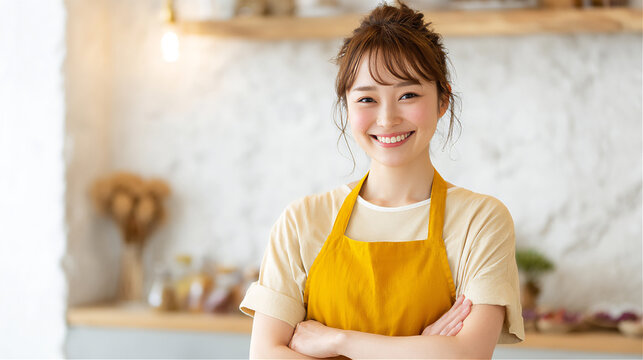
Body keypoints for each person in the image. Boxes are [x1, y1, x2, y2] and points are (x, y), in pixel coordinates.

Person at [239, 1, 525, 358]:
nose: (387, 119)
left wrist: (339, 342)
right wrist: (420, 349)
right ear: (346, 106)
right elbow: (264, 355)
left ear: (442, 100)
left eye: (408, 95)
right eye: (367, 99)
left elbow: (465, 355)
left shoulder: (481, 221)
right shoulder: (301, 222)